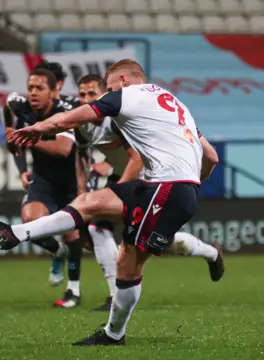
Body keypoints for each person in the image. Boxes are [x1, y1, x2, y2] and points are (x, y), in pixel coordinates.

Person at [0, 59, 222, 345]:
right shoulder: (176, 105)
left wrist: (38, 127)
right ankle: (14, 233)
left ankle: (114, 334)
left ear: (124, 82)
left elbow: (72, 118)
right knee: (89, 203)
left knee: (129, 263)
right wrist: (193, 185)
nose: (108, 94)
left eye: (110, 88)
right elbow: (212, 157)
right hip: (165, 187)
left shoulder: (127, 96)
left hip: (166, 188)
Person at [53, 74, 224, 311]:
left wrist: (118, 191)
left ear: (105, 94)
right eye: (81, 94)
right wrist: (82, 189)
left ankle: (209, 252)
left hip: (152, 179)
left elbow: (136, 158)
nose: (85, 99)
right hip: (126, 178)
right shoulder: (84, 125)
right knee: (102, 229)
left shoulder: (119, 116)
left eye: (92, 94)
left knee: (155, 245)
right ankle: (115, 295)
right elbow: (81, 155)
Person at [3, 68, 82, 307]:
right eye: (30, 88)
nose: (33, 93)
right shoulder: (20, 106)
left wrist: (30, 138)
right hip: (43, 180)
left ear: (53, 92)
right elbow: (7, 106)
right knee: (30, 222)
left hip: (71, 182)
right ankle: (57, 251)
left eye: (40, 88)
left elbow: (63, 149)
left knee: (73, 235)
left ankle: (73, 292)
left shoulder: (64, 113)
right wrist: (12, 135)